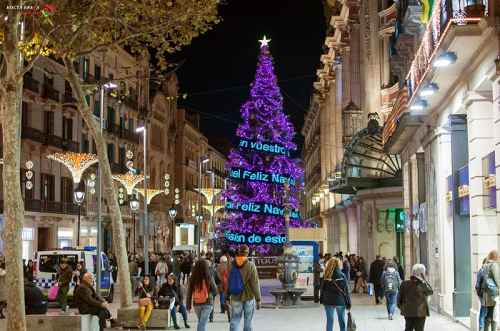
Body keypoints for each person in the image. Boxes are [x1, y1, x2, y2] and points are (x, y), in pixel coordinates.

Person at [227, 245, 261, 331]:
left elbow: (229, 281)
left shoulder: (231, 265)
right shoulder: (251, 265)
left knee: (235, 320)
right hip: (249, 297)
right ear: (247, 253)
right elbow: (255, 283)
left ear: (238, 252)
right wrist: (258, 299)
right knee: (248, 321)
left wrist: (227, 296)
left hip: (235, 297)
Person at [397, 264, 433, 331]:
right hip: (420, 313)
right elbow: (430, 291)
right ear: (422, 273)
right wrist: (424, 280)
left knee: (408, 329)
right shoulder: (423, 285)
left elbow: (399, 299)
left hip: (408, 312)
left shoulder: (404, 283)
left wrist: (403, 308)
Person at [320, 257, 351, 331]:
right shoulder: (342, 275)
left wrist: (321, 299)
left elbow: (322, 289)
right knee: (341, 320)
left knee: (329, 320)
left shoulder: (326, 275)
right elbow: (346, 290)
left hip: (328, 301)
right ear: (338, 265)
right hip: (340, 300)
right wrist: (348, 302)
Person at [186, 259, 218, 331]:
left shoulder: (192, 278)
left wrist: (188, 305)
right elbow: (215, 290)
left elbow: (189, 292)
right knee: (202, 323)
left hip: (196, 303)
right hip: (208, 303)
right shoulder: (209, 277)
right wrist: (210, 294)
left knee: (201, 323)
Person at [480, 250, 500, 331]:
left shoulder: (486, 265)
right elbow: (497, 279)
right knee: (492, 314)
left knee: (489, 313)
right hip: (493, 294)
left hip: (487, 294)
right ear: (495, 256)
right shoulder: (494, 265)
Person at [475, 258, 488, 331]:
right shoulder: (482, 271)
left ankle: (481, 327)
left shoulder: (482, 271)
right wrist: (480, 295)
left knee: (483, 311)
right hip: (483, 295)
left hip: (483, 295)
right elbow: (477, 286)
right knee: (483, 311)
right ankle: (481, 327)